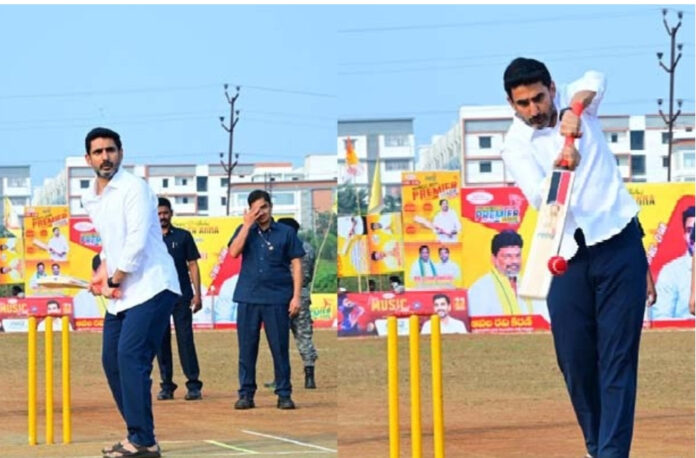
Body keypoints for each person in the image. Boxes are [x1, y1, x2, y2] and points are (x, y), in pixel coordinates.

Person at [500, 58, 653, 458]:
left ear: (552, 88)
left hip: (619, 244)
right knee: (574, 360)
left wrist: (575, 109)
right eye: (523, 103)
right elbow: (545, 201)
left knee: (618, 358)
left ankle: (612, 453)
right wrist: (563, 166)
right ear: (512, 105)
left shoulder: (576, 101)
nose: (534, 109)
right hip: (565, 256)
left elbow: (596, 78)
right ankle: (596, 446)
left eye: (539, 98)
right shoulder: (514, 145)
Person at [81, 127, 180, 458]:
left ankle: (142, 440)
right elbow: (112, 244)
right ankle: (140, 436)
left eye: (110, 150)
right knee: (112, 360)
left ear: (120, 153)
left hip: (152, 285)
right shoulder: (91, 197)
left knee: (130, 356)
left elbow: (136, 241)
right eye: (98, 152)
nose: (105, 157)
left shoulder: (134, 188)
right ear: (88, 159)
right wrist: (102, 269)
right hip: (124, 293)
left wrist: (115, 279)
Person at [228, 190, 304, 410]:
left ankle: (284, 394)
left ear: (271, 207)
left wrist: (296, 296)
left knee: (280, 348)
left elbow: (297, 264)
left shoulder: (286, 232)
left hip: (277, 297)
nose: (260, 212)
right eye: (255, 209)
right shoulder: (244, 230)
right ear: (249, 210)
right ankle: (246, 394)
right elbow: (233, 252)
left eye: (264, 207)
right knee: (246, 349)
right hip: (248, 297)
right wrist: (246, 225)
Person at [155, 197, 204, 401]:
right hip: (157, 296)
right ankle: (167, 386)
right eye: (158, 214)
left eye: (165, 213)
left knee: (185, 339)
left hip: (181, 295)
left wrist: (197, 293)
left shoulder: (183, 236)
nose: (162, 217)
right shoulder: (149, 239)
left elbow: (193, 264)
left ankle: (193, 385)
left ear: (171, 213)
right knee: (161, 341)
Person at [272, 217, 319, 390]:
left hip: (281, 293)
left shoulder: (281, 246)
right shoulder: (308, 248)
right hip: (302, 294)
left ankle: (280, 378)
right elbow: (310, 273)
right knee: (304, 335)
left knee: (278, 337)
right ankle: (309, 376)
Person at [467, 230, 547, 318]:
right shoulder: (481, 288)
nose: (515, 261)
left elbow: (545, 319)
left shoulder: (530, 286)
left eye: (518, 255)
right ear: (494, 259)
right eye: (508, 256)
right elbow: (475, 323)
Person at [652, 206, 695, 319]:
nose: (693, 237)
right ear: (684, 235)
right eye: (690, 231)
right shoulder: (671, 272)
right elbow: (661, 318)